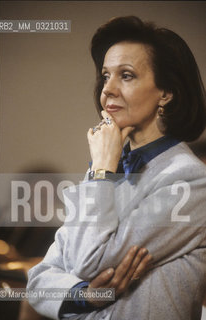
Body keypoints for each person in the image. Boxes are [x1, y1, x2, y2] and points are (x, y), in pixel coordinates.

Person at [27, 16, 206, 320]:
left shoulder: (190, 180)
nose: (107, 89)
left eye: (126, 75)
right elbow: (39, 280)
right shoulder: (104, 171)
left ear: (166, 93)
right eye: (105, 75)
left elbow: (88, 263)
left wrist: (100, 173)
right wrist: (83, 295)